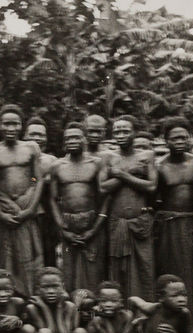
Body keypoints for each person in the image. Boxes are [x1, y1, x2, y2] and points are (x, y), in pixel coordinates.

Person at [0, 105, 45, 295]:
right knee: (4, 256)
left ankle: (29, 295)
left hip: (26, 207)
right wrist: (0, 213)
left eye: (15, 124)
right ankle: (6, 297)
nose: (10, 128)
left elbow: (37, 179)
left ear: (21, 126)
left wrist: (30, 207)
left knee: (29, 255)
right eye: (6, 124)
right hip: (5, 208)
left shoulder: (31, 147)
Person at [101, 115, 158, 300]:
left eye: (125, 130)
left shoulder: (146, 156)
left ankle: (143, 314)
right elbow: (102, 188)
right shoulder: (108, 157)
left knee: (145, 268)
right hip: (117, 223)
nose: (121, 134)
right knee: (119, 271)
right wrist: (129, 175)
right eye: (117, 131)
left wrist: (121, 175)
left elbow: (151, 186)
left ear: (134, 132)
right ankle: (121, 314)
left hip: (140, 223)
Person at [50, 123, 108, 293]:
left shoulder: (96, 163)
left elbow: (105, 197)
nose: (72, 141)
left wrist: (95, 229)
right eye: (68, 138)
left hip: (92, 222)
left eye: (76, 137)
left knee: (94, 271)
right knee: (69, 273)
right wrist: (63, 229)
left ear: (84, 139)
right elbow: (53, 200)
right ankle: (73, 312)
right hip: (68, 222)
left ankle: (92, 314)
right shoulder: (57, 166)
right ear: (63, 142)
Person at [155, 117, 193, 319]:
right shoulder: (160, 167)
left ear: (190, 138)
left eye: (183, 137)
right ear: (165, 140)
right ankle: (173, 316)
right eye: (174, 138)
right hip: (170, 227)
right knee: (171, 269)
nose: (179, 142)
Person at [24, 117, 60, 267]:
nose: (37, 138)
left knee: (47, 253)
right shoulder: (18, 158)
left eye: (41, 135)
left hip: (47, 214)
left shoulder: (52, 160)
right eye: (33, 134)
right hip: (21, 211)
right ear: (25, 136)